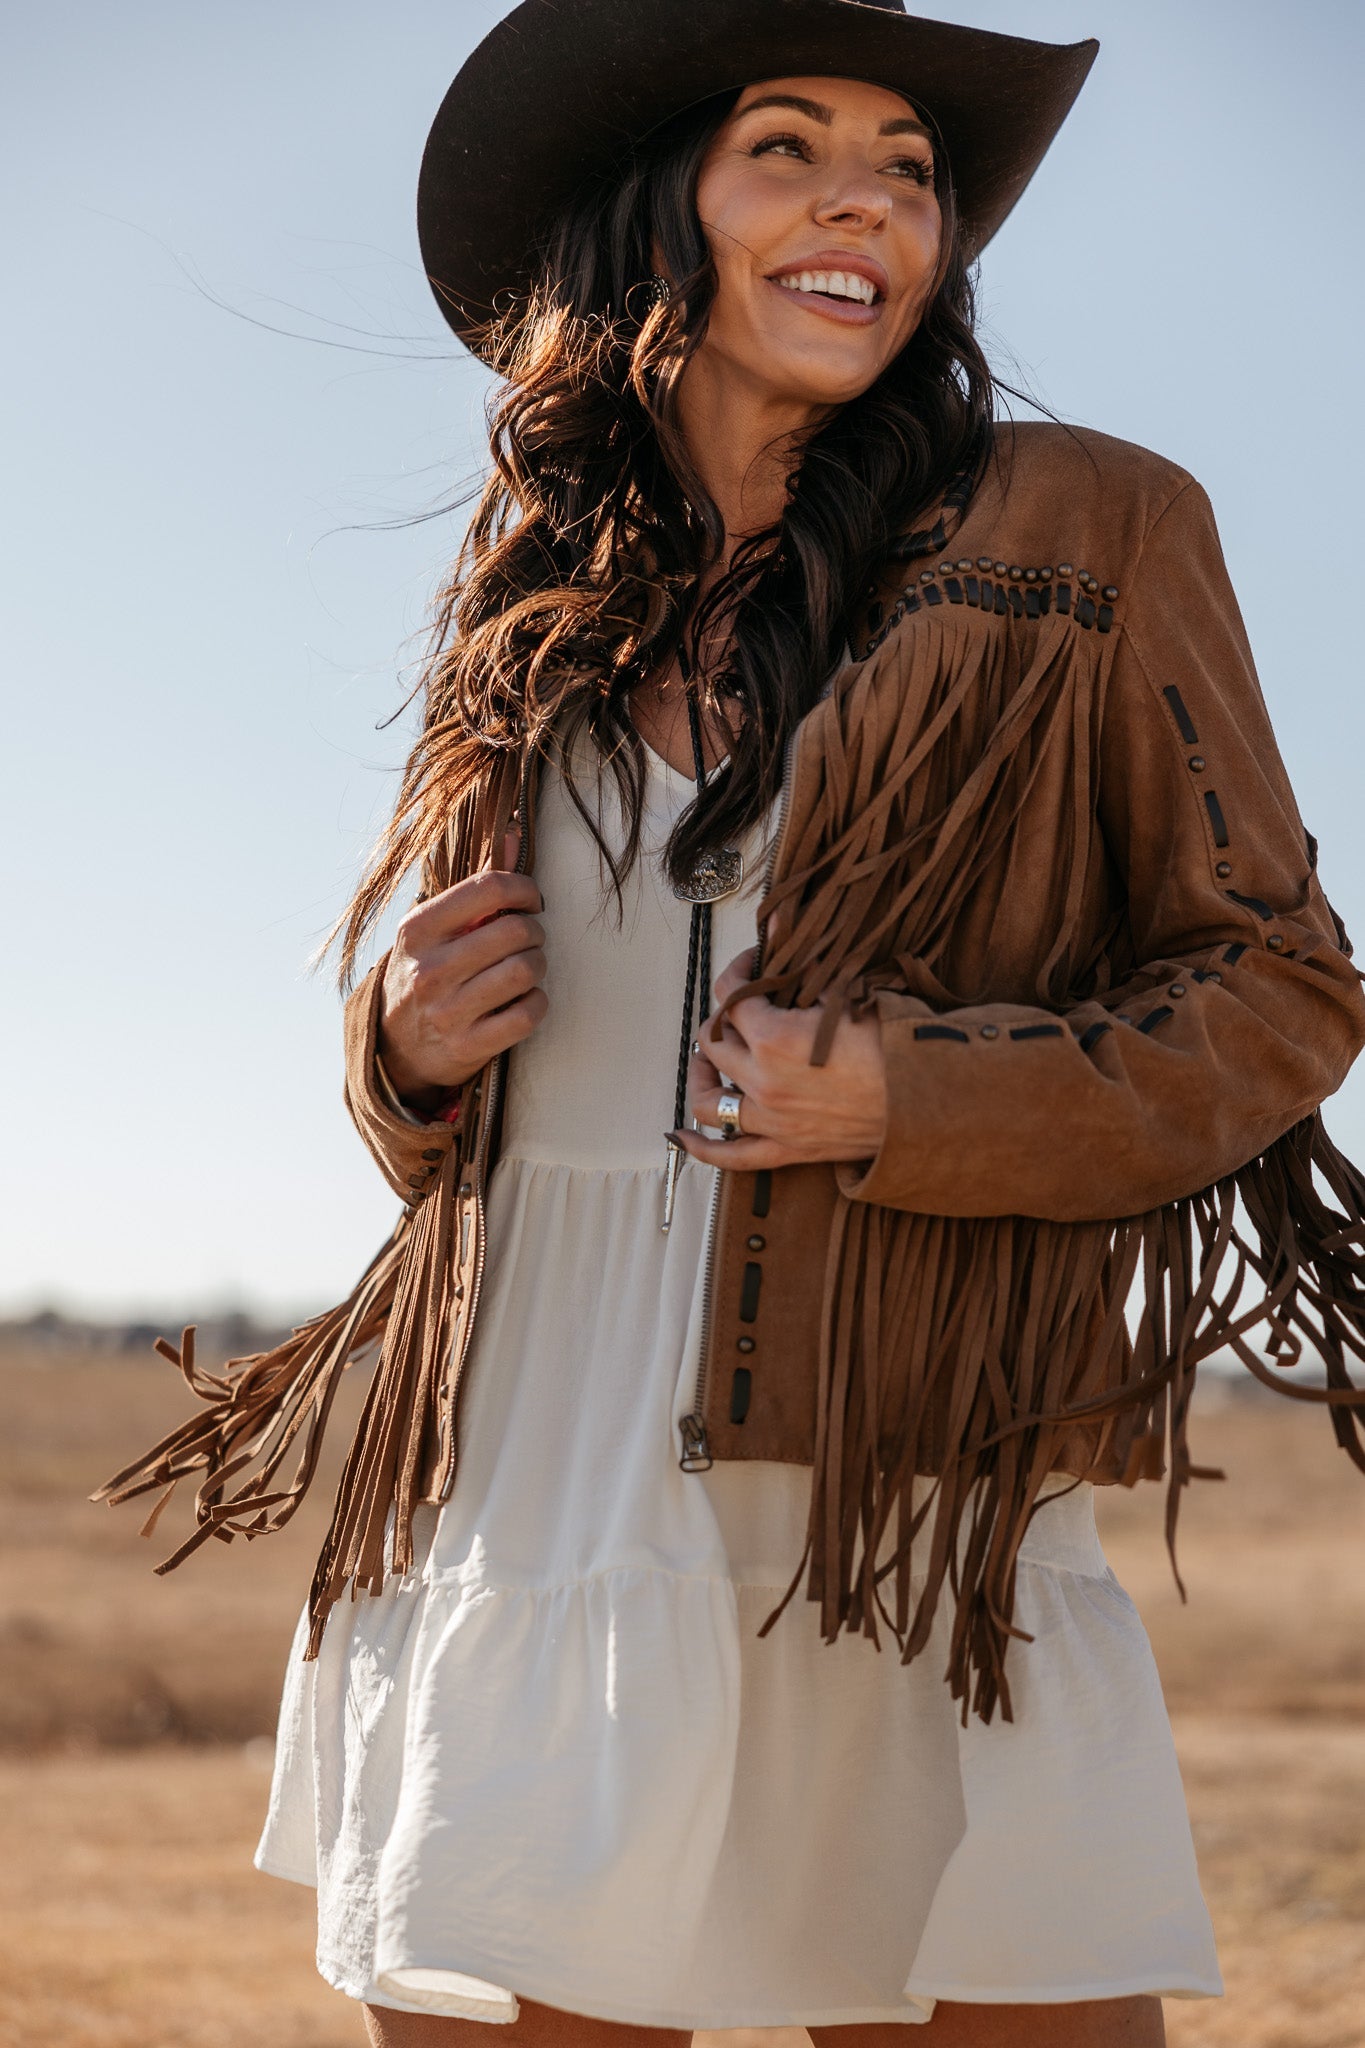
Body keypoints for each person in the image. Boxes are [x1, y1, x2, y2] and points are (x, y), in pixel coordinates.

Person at [95, 3, 1365, 2044]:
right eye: (787, 143)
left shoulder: (1086, 529)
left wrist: (904, 1095)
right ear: (654, 210)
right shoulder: (530, 596)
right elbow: (477, 1096)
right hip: (523, 1481)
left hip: (890, 1486)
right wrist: (399, 1051)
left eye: (907, 165)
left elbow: (1279, 989)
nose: (867, 192)